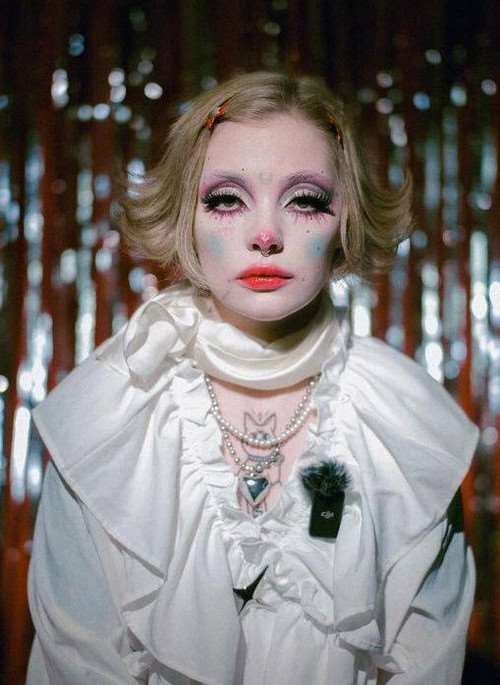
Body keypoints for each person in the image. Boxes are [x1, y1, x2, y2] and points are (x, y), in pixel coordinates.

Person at [26, 71, 479, 685]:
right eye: (226, 199)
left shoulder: (406, 424)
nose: (266, 235)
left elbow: (429, 664)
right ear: (185, 217)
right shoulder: (108, 413)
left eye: (305, 200)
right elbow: (76, 663)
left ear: (345, 222)